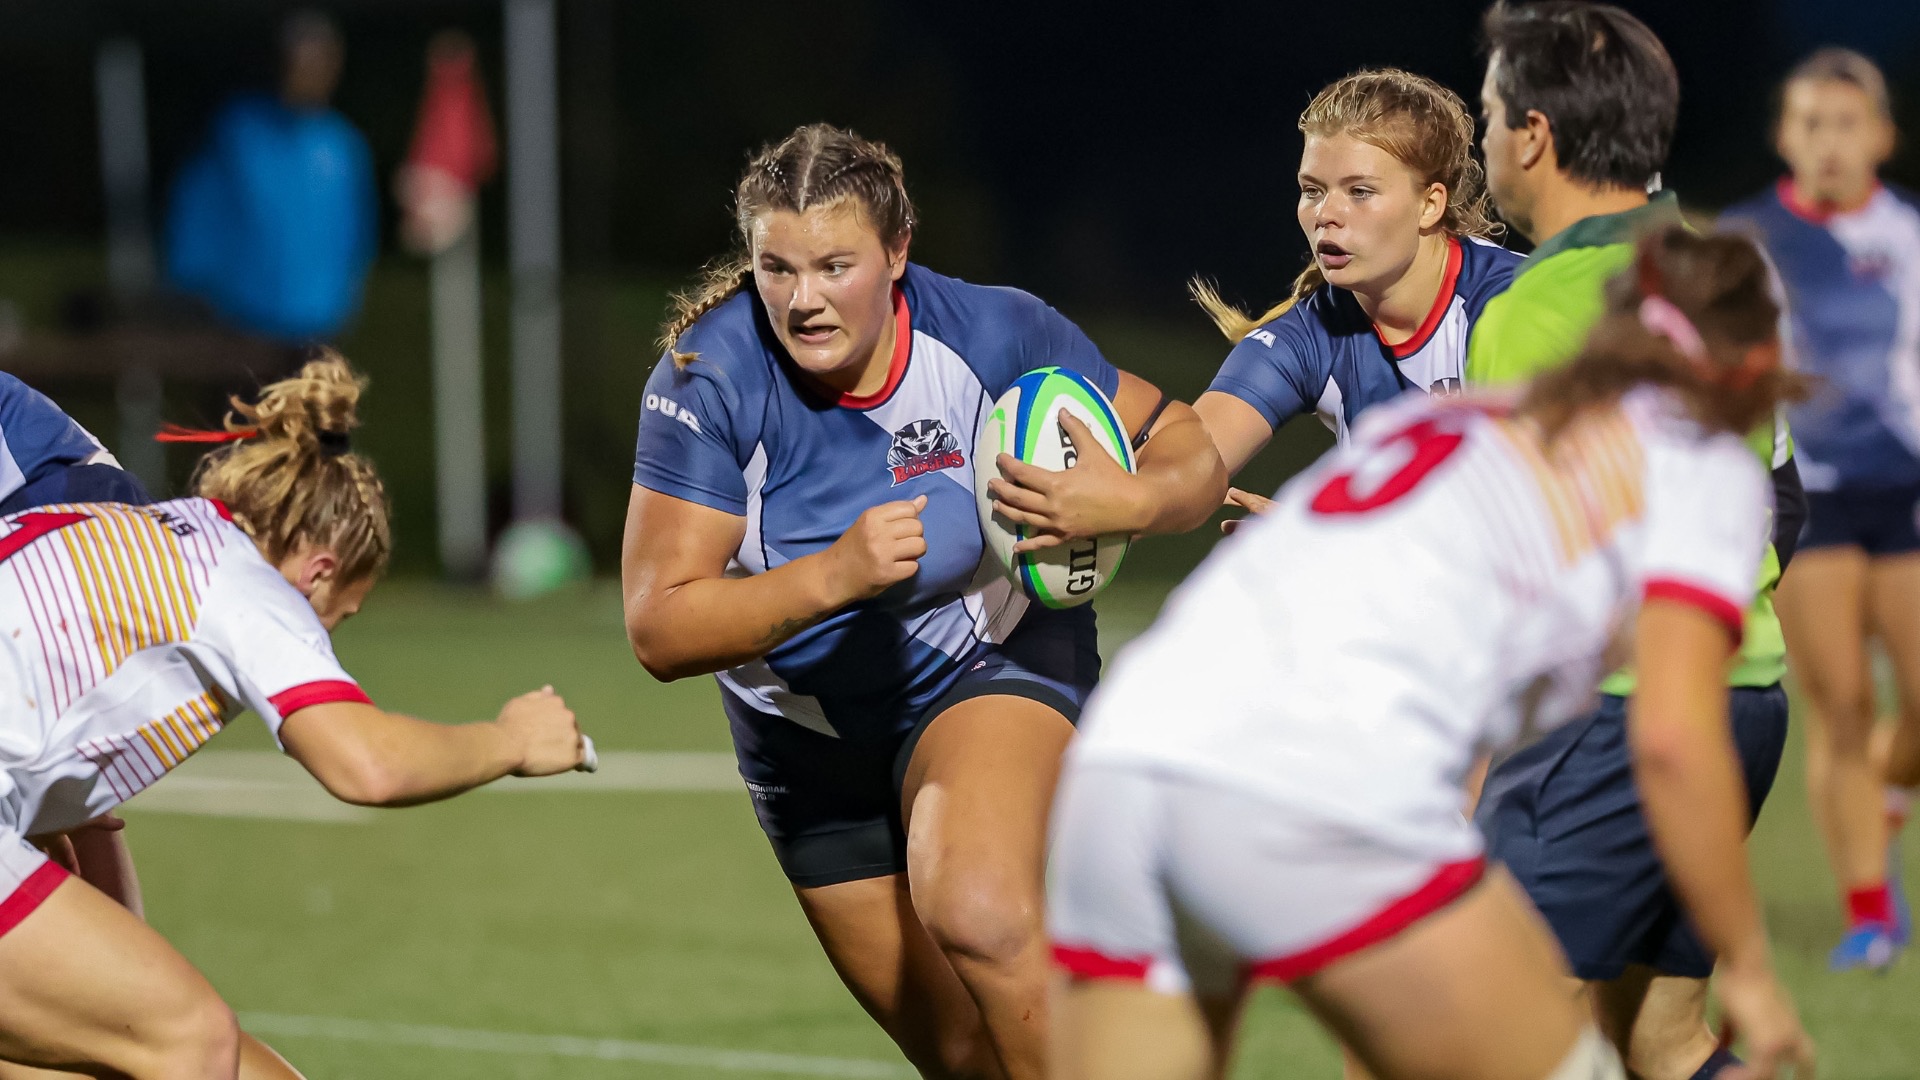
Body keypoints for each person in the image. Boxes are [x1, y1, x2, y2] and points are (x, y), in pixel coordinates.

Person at [1049, 226, 1815, 1080]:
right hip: (1301, 785)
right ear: (1751, 370)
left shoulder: (1446, 418)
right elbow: (1673, 736)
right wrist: (1750, 968)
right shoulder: (1697, 460)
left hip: (1125, 758)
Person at [621, 124, 1226, 1079]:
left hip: (985, 658)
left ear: (897, 252)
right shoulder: (711, 376)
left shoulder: (992, 332)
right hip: (802, 733)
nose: (804, 299)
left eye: (835, 266)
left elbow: (1185, 443)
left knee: (979, 912)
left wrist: (1134, 501)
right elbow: (660, 626)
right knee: (961, 1055)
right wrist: (835, 576)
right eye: (777, 268)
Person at [0, 353, 590, 1079]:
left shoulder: (125, 530)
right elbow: (368, 766)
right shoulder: (245, 587)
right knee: (189, 1037)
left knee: (168, 1045)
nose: (322, 644)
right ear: (319, 572)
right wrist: (511, 740)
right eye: (337, 621)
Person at [1466, 6, 1804, 1076]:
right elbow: (1784, 498)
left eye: (1487, 115)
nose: (1482, 141)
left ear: (1533, 135)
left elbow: (1515, 548)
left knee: (1486, 1028)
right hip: (1743, 697)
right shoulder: (1719, 275)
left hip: (1614, 715)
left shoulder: (1531, 309)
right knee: (1663, 1043)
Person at [1721, 47, 1920, 970]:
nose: (1830, 143)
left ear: (1883, 135)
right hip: (1812, 494)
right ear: (1783, 136)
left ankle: (1884, 795)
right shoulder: (1745, 242)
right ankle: (1871, 913)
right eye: (1811, 123)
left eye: (1847, 123)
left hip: (1908, 487)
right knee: (1841, 702)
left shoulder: (1910, 233)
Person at [1191, 68, 1521, 521]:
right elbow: (1180, 470)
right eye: (1312, 191)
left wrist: (1328, 536)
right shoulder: (1310, 334)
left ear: (1430, 204)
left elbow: (1534, 511)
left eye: (1360, 192)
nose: (1326, 214)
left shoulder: (1512, 302)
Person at [164, 10, 377, 348]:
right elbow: (198, 210)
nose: (309, 73)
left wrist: (345, 299)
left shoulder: (341, 145)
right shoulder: (240, 133)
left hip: (319, 322)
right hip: (238, 320)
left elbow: (355, 234)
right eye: (300, 61)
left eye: (320, 62)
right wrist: (192, 284)